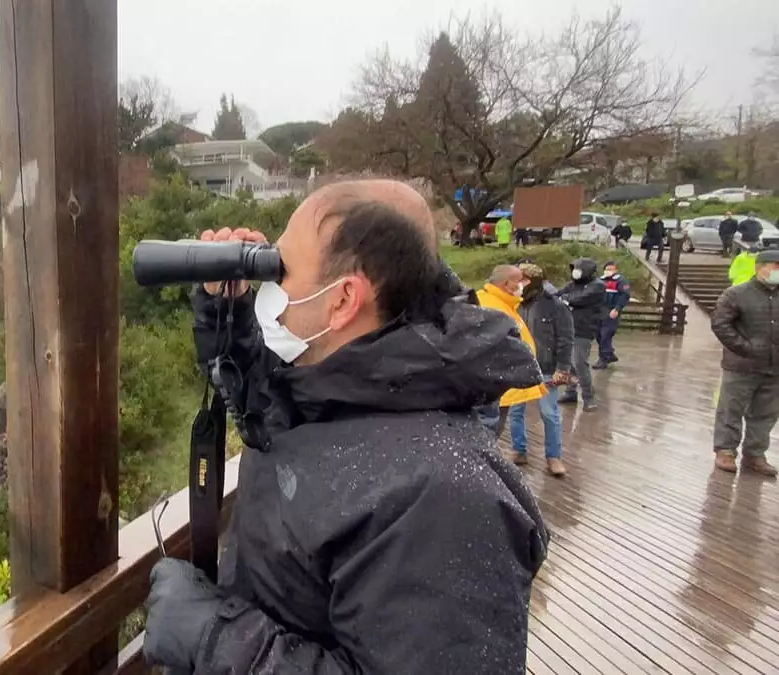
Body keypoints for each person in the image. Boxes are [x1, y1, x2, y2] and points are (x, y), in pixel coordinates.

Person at [143, 180, 549, 674]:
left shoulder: (444, 497)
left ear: (342, 301)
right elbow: (271, 410)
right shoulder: (350, 384)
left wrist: (214, 639)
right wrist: (224, 308)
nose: (272, 290)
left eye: (280, 271)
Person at [709, 249, 779, 477]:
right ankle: (726, 451)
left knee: (766, 414)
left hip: (774, 367)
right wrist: (743, 347)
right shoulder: (736, 294)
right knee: (731, 409)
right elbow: (720, 324)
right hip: (741, 365)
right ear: (761, 267)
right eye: (776, 266)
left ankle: (755, 455)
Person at [509, 263, 572, 477]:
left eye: (522, 280)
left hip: (545, 368)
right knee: (515, 412)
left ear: (533, 282)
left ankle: (553, 457)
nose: (517, 284)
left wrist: (562, 369)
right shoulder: (513, 303)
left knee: (549, 413)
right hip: (519, 366)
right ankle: (519, 450)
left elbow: (565, 339)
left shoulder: (555, 306)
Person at [475, 265, 548, 437]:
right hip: (491, 386)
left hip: (502, 382)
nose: (524, 285)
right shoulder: (489, 305)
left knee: (494, 431)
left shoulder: (503, 303)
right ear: (507, 284)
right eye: (520, 281)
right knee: (487, 434)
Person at [558, 258, 603, 410]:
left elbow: (580, 299)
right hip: (567, 328)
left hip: (583, 329)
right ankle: (570, 392)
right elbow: (559, 294)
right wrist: (564, 299)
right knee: (569, 363)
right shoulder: (573, 285)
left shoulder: (597, 286)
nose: (575, 272)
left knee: (579, 363)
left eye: (579, 268)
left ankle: (588, 397)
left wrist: (566, 300)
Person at [594, 260, 630, 369]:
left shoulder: (621, 281)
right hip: (599, 311)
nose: (608, 271)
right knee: (599, 335)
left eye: (611, 269)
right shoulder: (600, 280)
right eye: (607, 269)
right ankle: (609, 354)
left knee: (606, 334)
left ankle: (603, 359)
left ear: (616, 270)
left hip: (611, 311)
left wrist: (617, 309)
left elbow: (625, 295)